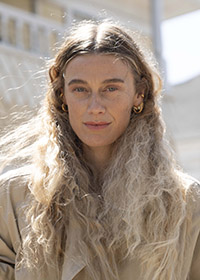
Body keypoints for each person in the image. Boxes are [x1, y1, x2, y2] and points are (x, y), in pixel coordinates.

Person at [0, 20, 199, 280]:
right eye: (80, 89)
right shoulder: (14, 197)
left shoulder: (185, 203)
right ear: (62, 96)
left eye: (111, 89)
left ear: (139, 94)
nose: (95, 106)